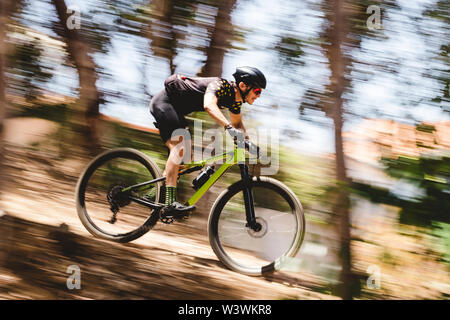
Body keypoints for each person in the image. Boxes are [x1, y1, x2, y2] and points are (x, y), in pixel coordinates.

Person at [149, 66, 266, 217]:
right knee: (179, 150)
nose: (258, 96)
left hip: (176, 110)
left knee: (185, 161)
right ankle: (170, 202)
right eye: (257, 91)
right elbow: (209, 105)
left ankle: (154, 194)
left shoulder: (235, 102)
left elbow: (238, 125)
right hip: (164, 103)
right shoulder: (220, 85)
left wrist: (250, 144)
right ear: (243, 86)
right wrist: (229, 128)